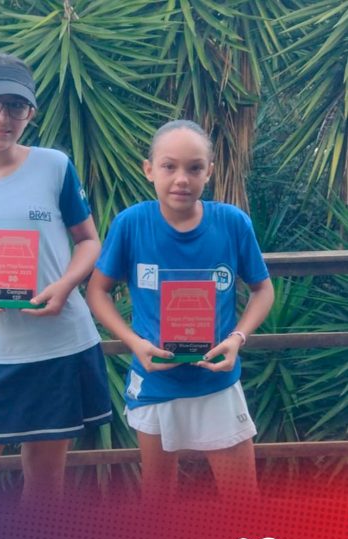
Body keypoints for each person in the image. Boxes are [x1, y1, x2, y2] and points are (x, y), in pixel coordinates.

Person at [0, 52, 112, 509]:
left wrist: (65, 284)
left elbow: (89, 241)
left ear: (30, 113)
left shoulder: (54, 166)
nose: (3, 116)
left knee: (45, 484)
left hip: (59, 344)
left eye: (16, 105)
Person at [87, 120, 274, 502]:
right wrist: (134, 343)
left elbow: (263, 290)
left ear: (209, 171)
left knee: (244, 503)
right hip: (155, 381)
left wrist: (237, 338)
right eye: (169, 166)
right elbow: (97, 292)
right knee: (159, 504)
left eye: (194, 167)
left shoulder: (232, 223)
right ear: (149, 169)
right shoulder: (131, 224)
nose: (181, 179)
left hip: (216, 381)